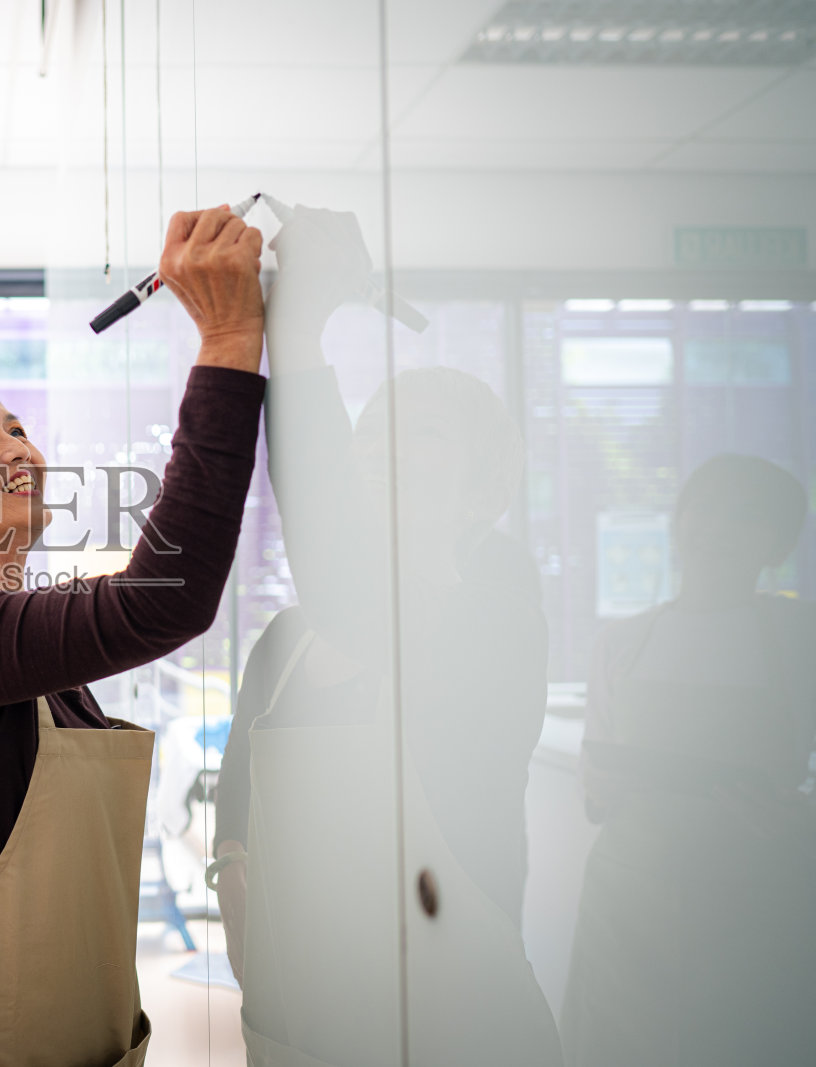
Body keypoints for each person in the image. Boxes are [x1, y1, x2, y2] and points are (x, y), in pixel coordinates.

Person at [0, 204, 267, 1067]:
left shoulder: (27, 641)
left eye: (19, 428)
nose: (21, 449)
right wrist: (227, 339)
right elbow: (166, 600)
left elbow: (140, 596)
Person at [212, 206, 560, 1066]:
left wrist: (297, 331)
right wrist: (256, 969)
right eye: (369, 432)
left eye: (423, 435)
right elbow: (235, 826)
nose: (376, 449)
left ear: (486, 493)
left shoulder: (496, 609)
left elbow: (353, 589)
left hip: (457, 1024)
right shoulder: (288, 641)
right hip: (299, 1026)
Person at [561, 453, 816, 1066]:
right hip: (626, 905)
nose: (718, 530)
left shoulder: (799, 636)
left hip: (755, 906)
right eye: (706, 509)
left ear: (778, 546)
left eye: (746, 518)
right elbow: (596, 789)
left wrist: (794, 821)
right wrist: (599, 786)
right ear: (679, 521)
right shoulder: (621, 641)